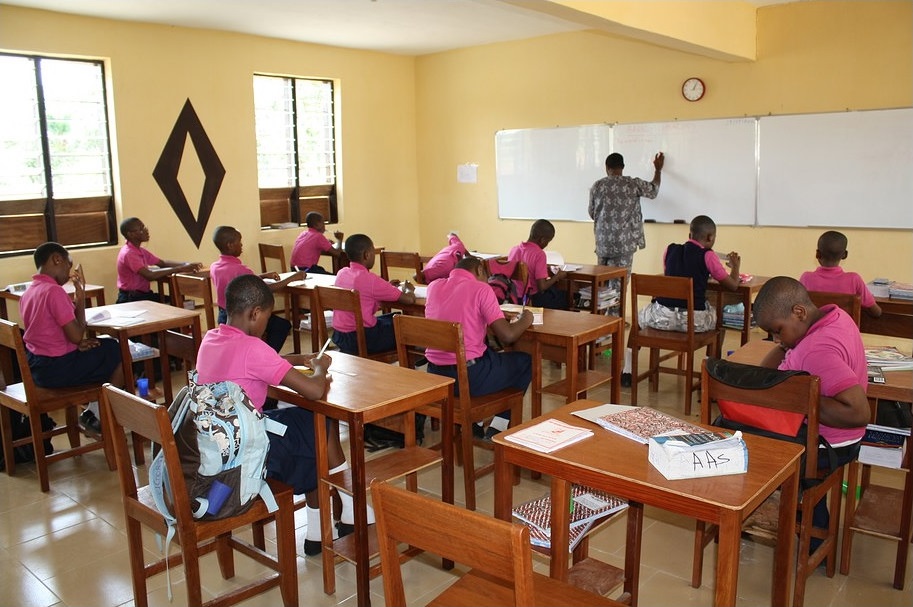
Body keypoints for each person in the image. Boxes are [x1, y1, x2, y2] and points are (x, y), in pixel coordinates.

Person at [194, 274, 364, 556]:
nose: (267, 324)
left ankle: (328, 525)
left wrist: (297, 359)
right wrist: (320, 369)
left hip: (220, 444)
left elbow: (256, 361)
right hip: (248, 457)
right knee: (318, 422)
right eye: (267, 317)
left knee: (307, 427)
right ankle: (343, 512)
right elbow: (314, 391)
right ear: (255, 313)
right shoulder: (253, 348)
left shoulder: (211, 338)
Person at [753, 276, 869, 548]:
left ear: (799, 312)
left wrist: (799, 398)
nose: (776, 338)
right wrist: (784, 343)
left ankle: (802, 529)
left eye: (778, 330)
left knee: (750, 447)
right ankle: (806, 524)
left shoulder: (815, 349)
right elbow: (764, 376)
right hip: (837, 437)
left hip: (831, 443)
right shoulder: (835, 316)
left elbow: (859, 412)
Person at [19, 242, 124, 434]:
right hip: (58, 369)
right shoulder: (54, 291)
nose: (69, 273)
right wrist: (80, 300)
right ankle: (100, 417)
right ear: (56, 259)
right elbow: (77, 335)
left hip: (37, 367)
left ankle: (94, 410)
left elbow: (49, 334)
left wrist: (76, 345)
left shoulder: (30, 291)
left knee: (102, 348)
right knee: (118, 351)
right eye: (68, 266)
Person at [424, 256, 533, 440]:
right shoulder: (481, 288)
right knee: (524, 361)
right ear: (480, 271)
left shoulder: (433, 287)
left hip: (436, 375)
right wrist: (526, 318)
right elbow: (508, 336)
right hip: (469, 378)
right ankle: (499, 425)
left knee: (489, 353)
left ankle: (476, 423)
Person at [588, 152, 664, 385]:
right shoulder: (632, 184)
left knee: (602, 290)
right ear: (623, 166)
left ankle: (599, 334)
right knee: (619, 291)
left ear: (607, 167)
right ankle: (614, 334)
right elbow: (653, 190)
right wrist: (658, 170)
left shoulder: (597, 185)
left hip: (603, 243)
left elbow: (591, 212)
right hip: (624, 246)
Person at [638, 215, 741, 333]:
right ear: (710, 237)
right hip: (693, 322)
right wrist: (735, 266)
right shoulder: (708, 255)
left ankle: (632, 345)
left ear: (689, 235)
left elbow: (672, 275)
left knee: (641, 315)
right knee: (719, 314)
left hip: (662, 319)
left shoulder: (670, 249)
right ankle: (711, 346)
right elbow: (733, 285)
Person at [209, 226, 302, 353]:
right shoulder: (240, 269)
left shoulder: (215, 267)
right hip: (244, 318)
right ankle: (265, 355)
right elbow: (265, 290)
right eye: (239, 241)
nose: (242, 245)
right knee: (282, 326)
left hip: (224, 315)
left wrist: (262, 276)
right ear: (230, 245)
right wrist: (292, 278)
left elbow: (239, 281)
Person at [332, 234, 415, 355]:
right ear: (367, 254)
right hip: (363, 338)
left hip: (340, 336)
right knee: (406, 326)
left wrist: (386, 286)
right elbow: (409, 300)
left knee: (394, 317)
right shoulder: (370, 279)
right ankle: (412, 359)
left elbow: (365, 293)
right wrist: (409, 289)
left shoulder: (342, 273)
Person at [116, 217, 203, 303]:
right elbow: (149, 275)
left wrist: (187, 265)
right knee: (174, 303)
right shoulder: (129, 253)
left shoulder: (139, 250)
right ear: (131, 234)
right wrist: (180, 269)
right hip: (132, 298)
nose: (146, 230)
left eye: (144, 227)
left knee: (176, 301)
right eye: (141, 229)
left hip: (142, 295)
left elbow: (162, 263)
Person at [799, 230, 882, 318]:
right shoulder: (854, 279)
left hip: (816, 327)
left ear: (817, 254)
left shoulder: (806, 278)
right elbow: (876, 312)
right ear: (845, 255)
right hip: (843, 327)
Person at [507, 219, 568, 310]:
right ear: (542, 240)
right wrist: (557, 276)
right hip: (532, 299)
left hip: (514, 298)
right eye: (548, 241)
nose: (547, 244)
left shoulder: (514, 250)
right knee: (563, 297)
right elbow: (542, 287)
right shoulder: (539, 254)